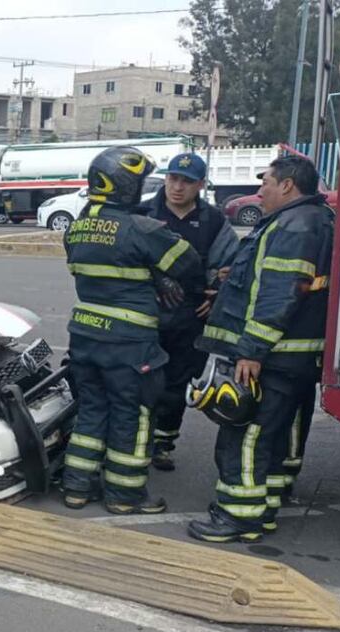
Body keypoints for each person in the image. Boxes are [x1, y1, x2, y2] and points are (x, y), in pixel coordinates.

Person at [188, 156, 333, 543]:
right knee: (274, 432)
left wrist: (250, 351)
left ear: (287, 186)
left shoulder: (292, 226)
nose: (259, 191)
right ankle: (265, 505)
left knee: (246, 433)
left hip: (272, 355)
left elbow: (278, 294)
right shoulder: (313, 220)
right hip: (293, 356)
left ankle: (240, 518)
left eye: (266, 182)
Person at [62, 146, 204, 515]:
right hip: (130, 344)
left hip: (85, 338)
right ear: (125, 185)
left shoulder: (76, 228)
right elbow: (189, 265)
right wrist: (158, 274)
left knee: (91, 411)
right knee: (133, 415)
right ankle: (125, 495)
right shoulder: (143, 229)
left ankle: (77, 487)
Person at [146, 153, 239, 471]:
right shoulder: (144, 213)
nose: (177, 187)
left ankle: (162, 444)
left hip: (190, 318)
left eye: (186, 181)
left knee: (177, 385)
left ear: (200, 184)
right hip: (147, 315)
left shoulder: (214, 221)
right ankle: (135, 440)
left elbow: (232, 266)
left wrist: (216, 296)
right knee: (142, 383)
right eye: (173, 178)